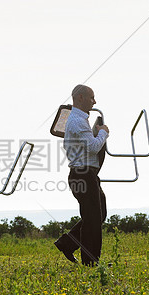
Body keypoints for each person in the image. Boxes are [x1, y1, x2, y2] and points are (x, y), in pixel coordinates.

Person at [54, 84, 110, 266]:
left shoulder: (79, 120)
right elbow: (93, 147)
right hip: (83, 173)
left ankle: (68, 243)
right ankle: (91, 263)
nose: (94, 101)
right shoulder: (77, 121)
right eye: (91, 97)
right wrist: (103, 133)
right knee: (93, 219)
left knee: (97, 215)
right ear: (80, 98)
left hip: (85, 173)